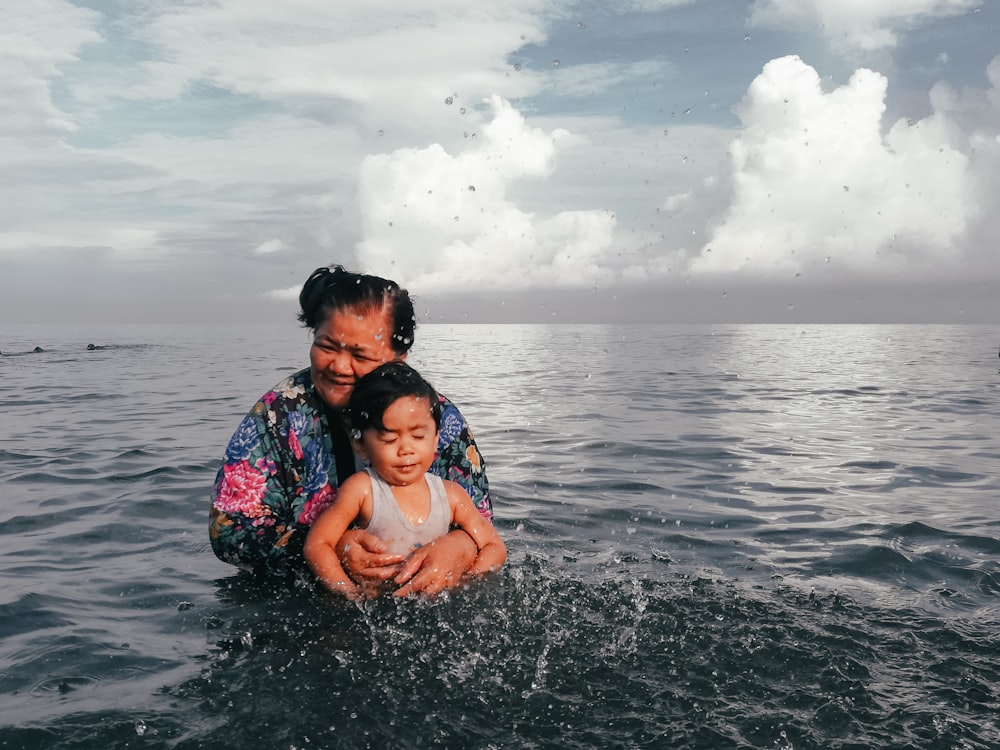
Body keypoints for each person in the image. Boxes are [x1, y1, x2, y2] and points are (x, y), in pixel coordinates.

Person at [209, 264, 492, 596]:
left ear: (400, 358)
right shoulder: (279, 415)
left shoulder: (437, 417)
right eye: (327, 347)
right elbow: (228, 531)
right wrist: (327, 549)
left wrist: (461, 547)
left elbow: (479, 520)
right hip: (301, 598)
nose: (340, 367)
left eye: (360, 355)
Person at [304, 362, 505, 598]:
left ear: (435, 439)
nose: (406, 450)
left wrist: (466, 581)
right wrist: (348, 593)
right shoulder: (362, 490)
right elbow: (317, 544)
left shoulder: (450, 496)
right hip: (375, 602)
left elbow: (495, 547)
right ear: (360, 444)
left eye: (418, 436)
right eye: (389, 439)